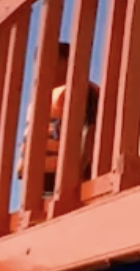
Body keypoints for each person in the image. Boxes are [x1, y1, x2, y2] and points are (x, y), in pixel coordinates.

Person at [20, 40, 102, 200]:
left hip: (67, 184)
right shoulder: (43, 100)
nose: (41, 69)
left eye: (48, 61)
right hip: (40, 188)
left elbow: (90, 133)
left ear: (66, 62)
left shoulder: (81, 91)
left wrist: (74, 178)